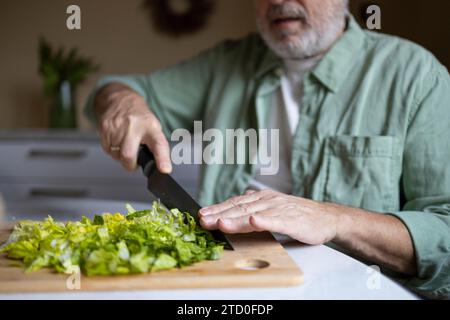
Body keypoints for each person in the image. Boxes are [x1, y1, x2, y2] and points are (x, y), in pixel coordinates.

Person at [85, 0, 450, 298]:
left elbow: (445, 232)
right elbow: (117, 88)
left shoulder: (415, 76)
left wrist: (333, 218)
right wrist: (121, 102)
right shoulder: (227, 63)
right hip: (228, 286)